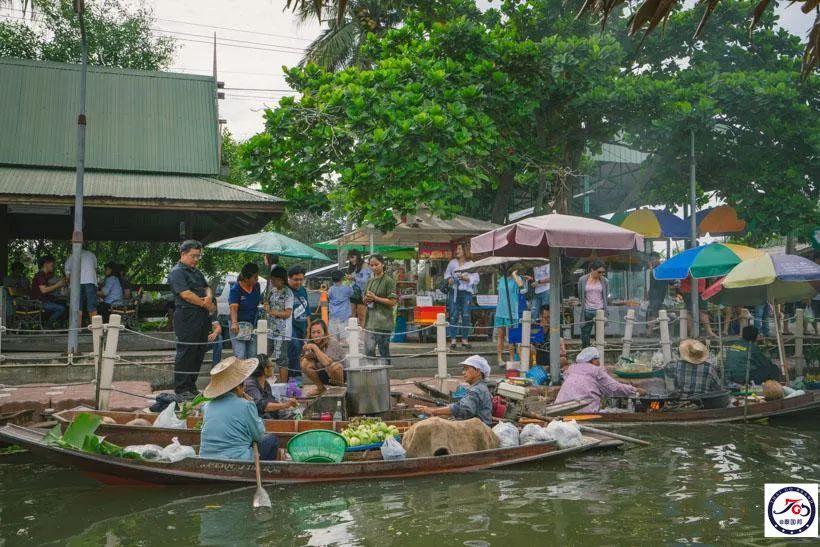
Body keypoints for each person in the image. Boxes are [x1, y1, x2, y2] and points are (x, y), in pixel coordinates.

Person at [199, 356, 280, 461]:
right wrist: (251, 404)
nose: (245, 386)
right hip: (237, 457)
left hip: (205, 457)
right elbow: (258, 435)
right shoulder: (246, 405)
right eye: (244, 383)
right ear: (238, 386)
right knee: (271, 440)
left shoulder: (207, 406)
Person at [167, 240, 215, 398]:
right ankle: (181, 388)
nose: (195, 259)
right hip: (186, 315)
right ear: (183, 254)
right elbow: (185, 294)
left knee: (199, 351)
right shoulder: (177, 272)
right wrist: (205, 304)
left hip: (201, 316)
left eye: (198, 256)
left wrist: (208, 297)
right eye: (193, 256)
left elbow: (207, 286)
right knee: (186, 351)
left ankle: (191, 385)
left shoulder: (196, 272)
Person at [554, 347, 643, 413]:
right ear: (593, 360)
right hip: (583, 412)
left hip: (559, 408)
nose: (599, 362)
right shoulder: (596, 371)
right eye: (597, 359)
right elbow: (614, 388)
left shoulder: (572, 369)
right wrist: (635, 391)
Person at [413, 355, 493, 426]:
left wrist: (433, 411)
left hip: (477, 431)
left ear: (478, 372)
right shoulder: (480, 387)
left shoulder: (476, 390)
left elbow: (462, 409)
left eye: (466, 369)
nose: (463, 372)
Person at [363, 254, 397, 366]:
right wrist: (366, 299)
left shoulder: (389, 281)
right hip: (370, 322)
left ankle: (385, 377)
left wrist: (375, 298)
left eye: (376, 264)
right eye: (371, 265)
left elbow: (392, 302)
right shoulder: (370, 281)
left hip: (384, 324)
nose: (374, 267)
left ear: (382, 264)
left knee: (384, 352)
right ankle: (372, 374)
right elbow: (364, 300)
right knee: (368, 351)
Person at [443, 243, 479, 349]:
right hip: (454, 291)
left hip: (466, 292)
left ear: (464, 250)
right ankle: (453, 340)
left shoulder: (471, 263)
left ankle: (464, 339)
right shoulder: (452, 263)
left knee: (466, 315)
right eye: (457, 249)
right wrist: (449, 279)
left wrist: (467, 279)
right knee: (453, 315)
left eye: (459, 249)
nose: (457, 251)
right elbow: (447, 275)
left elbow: (476, 278)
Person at [244, 354, 299, 418]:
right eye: (271, 366)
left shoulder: (266, 384)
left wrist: (288, 404)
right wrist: (285, 405)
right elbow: (262, 406)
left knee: (293, 414)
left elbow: (271, 400)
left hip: (265, 414)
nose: (272, 367)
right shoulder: (250, 383)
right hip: (255, 417)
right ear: (265, 370)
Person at [301, 320, 347, 394]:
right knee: (305, 363)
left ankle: (340, 390)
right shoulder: (309, 342)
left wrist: (315, 348)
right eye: (313, 332)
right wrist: (307, 355)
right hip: (323, 373)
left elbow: (328, 363)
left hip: (340, 375)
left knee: (335, 367)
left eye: (318, 332)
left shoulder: (332, 342)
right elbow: (303, 362)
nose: (316, 335)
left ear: (324, 333)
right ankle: (320, 388)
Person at [265, 266, 294, 383]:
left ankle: (283, 384)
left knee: (281, 359)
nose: (272, 282)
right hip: (270, 329)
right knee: (264, 355)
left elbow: (288, 313)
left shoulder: (288, 293)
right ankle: (265, 381)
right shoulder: (272, 290)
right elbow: (267, 304)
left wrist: (272, 312)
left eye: (275, 280)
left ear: (282, 279)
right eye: (271, 279)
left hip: (282, 331)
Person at [228, 263, 262, 359]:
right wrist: (234, 323)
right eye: (255, 277)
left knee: (252, 354)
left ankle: (249, 374)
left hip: (252, 324)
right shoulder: (236, 289)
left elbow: (258, 302)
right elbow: (233, 307)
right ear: (246, 278)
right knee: (241, 354)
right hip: (238, 324)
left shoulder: (257, 286)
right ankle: (239, 373)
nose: (257, 279)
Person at [494, 270, 525, 368]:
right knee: (500, 335)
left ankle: (511, 359)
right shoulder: (501, 279)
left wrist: (514, 275)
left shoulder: (518, 278)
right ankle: (499, 358)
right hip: (500, 311)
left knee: (511, 337)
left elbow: (522, 289)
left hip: (512, 312)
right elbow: (500, 295)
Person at [286, 265, 311, 379]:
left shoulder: (303, 290)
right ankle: (295, 377)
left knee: (300, 352)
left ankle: (296, 377)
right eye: (296, 279)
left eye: (301, 279)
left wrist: (308, 326)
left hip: (302, 325)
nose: (299, 282)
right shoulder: (284, 291)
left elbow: (307, 309)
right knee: (294, 350)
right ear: (289, 278)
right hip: (289, 327)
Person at [578, 260, 608, 348]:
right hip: (587, 310)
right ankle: (585, 355)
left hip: (600, 310)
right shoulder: (582, 280)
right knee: (585, 335)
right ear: (592, 270)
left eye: (602, 272)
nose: (601, 274)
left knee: (599, 336)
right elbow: (580, 295)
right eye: (599, 272)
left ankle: (599, 356)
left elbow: (605, 295)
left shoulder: (605, 281)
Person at [30, 255, 67, 327]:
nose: (53, 265)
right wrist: (58, 285)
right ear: (45, 264)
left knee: (63, 303)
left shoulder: (45, 275)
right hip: (39, 302)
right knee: (61, 309)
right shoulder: (40, 275)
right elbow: (43, 290)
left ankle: (58, 326)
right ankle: (48, 325)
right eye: (52, 264)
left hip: (44, 301)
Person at [64, 248, 99, 324]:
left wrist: (69, 284)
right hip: (90, 281)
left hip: (76, 283)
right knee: (91, 305)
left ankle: (77, 329)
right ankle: (95, 329)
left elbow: (67, 274)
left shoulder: (72, 256)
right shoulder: (91, 254)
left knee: (77, 306)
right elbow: (95, 270)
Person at [345, 250, 371, 326]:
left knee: (361, 316)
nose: (351, 260)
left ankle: (362, 335)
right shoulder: (352, 267)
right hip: (352, 293)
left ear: (358, 256)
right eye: (349, 258)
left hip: (362, 294)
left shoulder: (365, 265)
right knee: (351, 316)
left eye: (352, 257)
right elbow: (351, 281)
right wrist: (348, 279)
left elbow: (366, 281)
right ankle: (353, 334)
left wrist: (354, 278)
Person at [646, 253, 669, 336]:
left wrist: (651, 268)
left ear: (658, 259)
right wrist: (648, 293)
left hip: (659, 294)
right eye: (651, 260)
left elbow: (656, 276)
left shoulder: (661, 268)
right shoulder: (653, 269)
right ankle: (653, 330)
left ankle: (650, 331)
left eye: (654, 259)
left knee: (653, 312)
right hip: (653, 293)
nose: (653, 261)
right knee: (651, 311)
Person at [328, 270, 353, 343]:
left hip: (333, 316)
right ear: (342, 278)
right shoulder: (346, 288)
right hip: (344, 316)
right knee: (344, 338)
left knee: (334, 339)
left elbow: (329, 297)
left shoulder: (331, 289)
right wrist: (349, 282)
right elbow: (351, 293)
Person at [208, 301, 223, 366]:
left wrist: (215, 333)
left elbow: (219, 328)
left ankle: (215, 366)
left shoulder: (211, 315)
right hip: (194, 340)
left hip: (207, 340)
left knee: (219, 338)